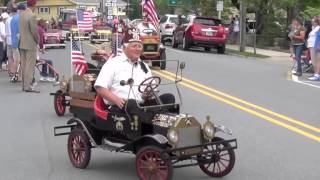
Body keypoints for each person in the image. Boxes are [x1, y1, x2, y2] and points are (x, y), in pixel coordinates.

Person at [94, 36, 175, 122]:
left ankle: (151, 118)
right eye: (134, 46)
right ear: (125, 48)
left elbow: (152, 88)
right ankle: (154, 120)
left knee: (169, 98)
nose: (137, 49)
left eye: (139, 46)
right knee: (131, 103)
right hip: (121, 107)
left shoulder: (144, 66)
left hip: (141, 105)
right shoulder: (113, 63)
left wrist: (147, 94)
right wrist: (116, 99)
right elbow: (99, 87)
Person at [19, 0, 39, 93]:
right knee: (30, 66)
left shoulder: (21, 15)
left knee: (23, 65)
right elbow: (34, 32)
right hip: (30, 44)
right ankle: (28, 86)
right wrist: (38, 41)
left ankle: (24, 85)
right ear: (34, 5)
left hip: (22, 43)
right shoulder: (32, 16)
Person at [10, 3, 25, 80]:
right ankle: (19, 76)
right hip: (19, 42)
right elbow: (20, 32)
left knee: (16, 60)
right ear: (22, 10)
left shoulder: (13, 18)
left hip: (13, 42)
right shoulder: (20, 18)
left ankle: (13, 75)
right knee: (21, 60)